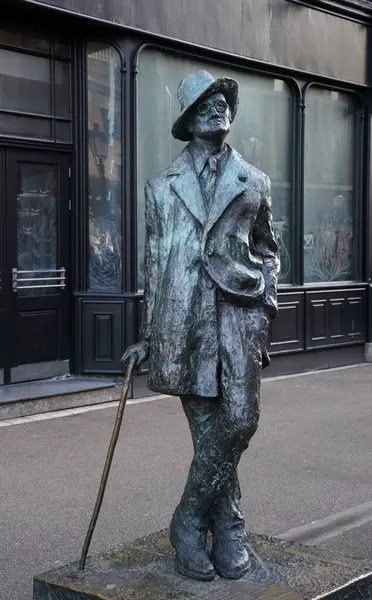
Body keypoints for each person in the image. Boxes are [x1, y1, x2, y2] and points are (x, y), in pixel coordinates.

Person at [122, 70, 280, 581]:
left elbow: (268, 251)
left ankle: (187, 522)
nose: (218, 107)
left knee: (240, 422)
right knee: (210, 432)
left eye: (222, 100)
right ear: (188, 120)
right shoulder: (160, 189)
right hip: (185, 322)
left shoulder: (253, 181)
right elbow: (154, 264)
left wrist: (265, 308)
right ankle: (230, 527)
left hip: (239, 317)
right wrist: (149, 335)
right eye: (206, 103)